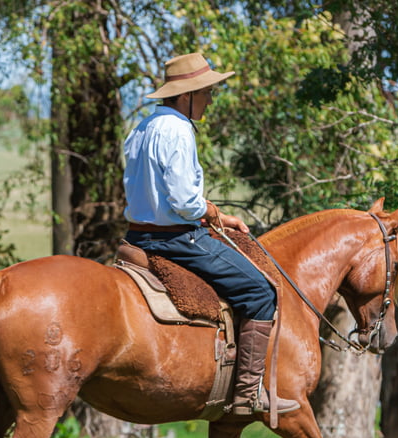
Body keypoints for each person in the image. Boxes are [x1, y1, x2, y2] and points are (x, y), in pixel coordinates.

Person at [123, 52, 299, 416]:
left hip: (137, 236)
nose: (209, 100)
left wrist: (217, 216)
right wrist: (217, 213)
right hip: (176, 239)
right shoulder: (178, 130)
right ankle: (248, 395)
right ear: (187, 95)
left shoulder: (141, 128)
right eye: (206, 93)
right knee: (261, 291)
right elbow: (185, 202)